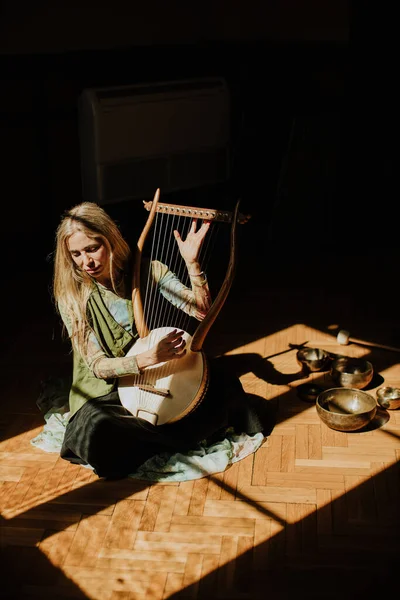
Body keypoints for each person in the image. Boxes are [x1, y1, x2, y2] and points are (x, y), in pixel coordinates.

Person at [51, 201, 265, 479]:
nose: (86, 262)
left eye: (92, 249)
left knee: (222, 380)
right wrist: (149, 357)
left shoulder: (149, 270)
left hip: (155, 373)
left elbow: (201, 311)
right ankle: (183, 432)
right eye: (76, 254)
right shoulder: (71, 297)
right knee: (95, 427)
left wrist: (192, 264)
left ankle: (167, 432)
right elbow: (98, 366)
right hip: (109, 389)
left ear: (110, 240)